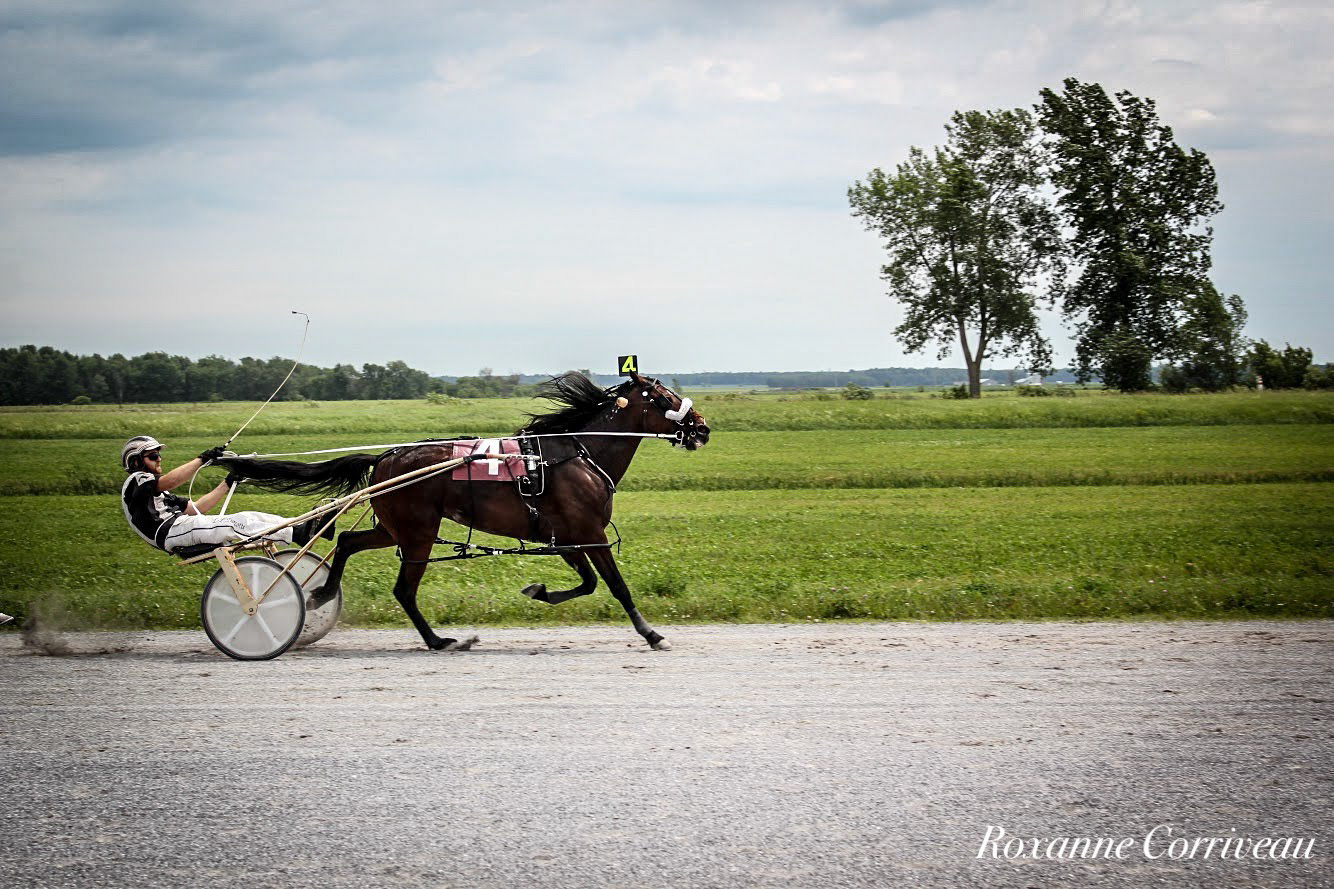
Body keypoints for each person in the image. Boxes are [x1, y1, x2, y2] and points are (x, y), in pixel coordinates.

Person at [120, 435, 333, 553]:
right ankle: (299, 533)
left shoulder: (160, 493)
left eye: (158, 454)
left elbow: (198, 509)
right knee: (235, 523)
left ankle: (307, 526)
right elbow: (173, 480)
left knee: (252, 516)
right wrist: (201, 459)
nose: (159, 459)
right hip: (169, 533)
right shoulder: (136, 481)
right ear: (136, 462)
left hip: (180, 527)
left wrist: (227, 483)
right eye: (153, 455)